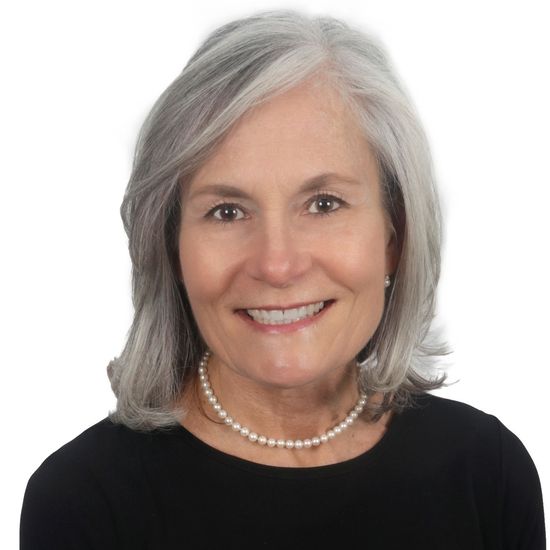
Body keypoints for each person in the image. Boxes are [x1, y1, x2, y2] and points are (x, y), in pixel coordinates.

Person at [20, 9, 545, 549]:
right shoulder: (83, 501)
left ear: (395, 236)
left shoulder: (487, 472)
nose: (276, 264)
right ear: (171, 246)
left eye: (324, 203)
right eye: (227, 211)